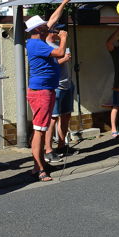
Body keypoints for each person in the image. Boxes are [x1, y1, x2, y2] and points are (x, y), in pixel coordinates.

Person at [25, 0, 72, 181]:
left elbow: (52, 18)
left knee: (41, 128)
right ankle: (40, 167)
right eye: (44, 26)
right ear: (37, 30)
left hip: (45, 90)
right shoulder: (38, 45)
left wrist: (64, 2)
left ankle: (39, 165)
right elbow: (60, 53)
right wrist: (64, 37)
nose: (48, 27)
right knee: (39, 130)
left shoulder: (37, 39)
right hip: (41, 92)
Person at [44, 24, 73, 164]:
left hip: (67, 84)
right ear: (52, 32)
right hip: (56, 86)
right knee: (53, 118)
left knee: (66, 115)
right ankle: (48, 149)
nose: (60, 32)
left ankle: (62, 145)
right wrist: (64, 59)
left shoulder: (58, 44)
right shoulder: (47, 46)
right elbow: (50, 66)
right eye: (58, 30)